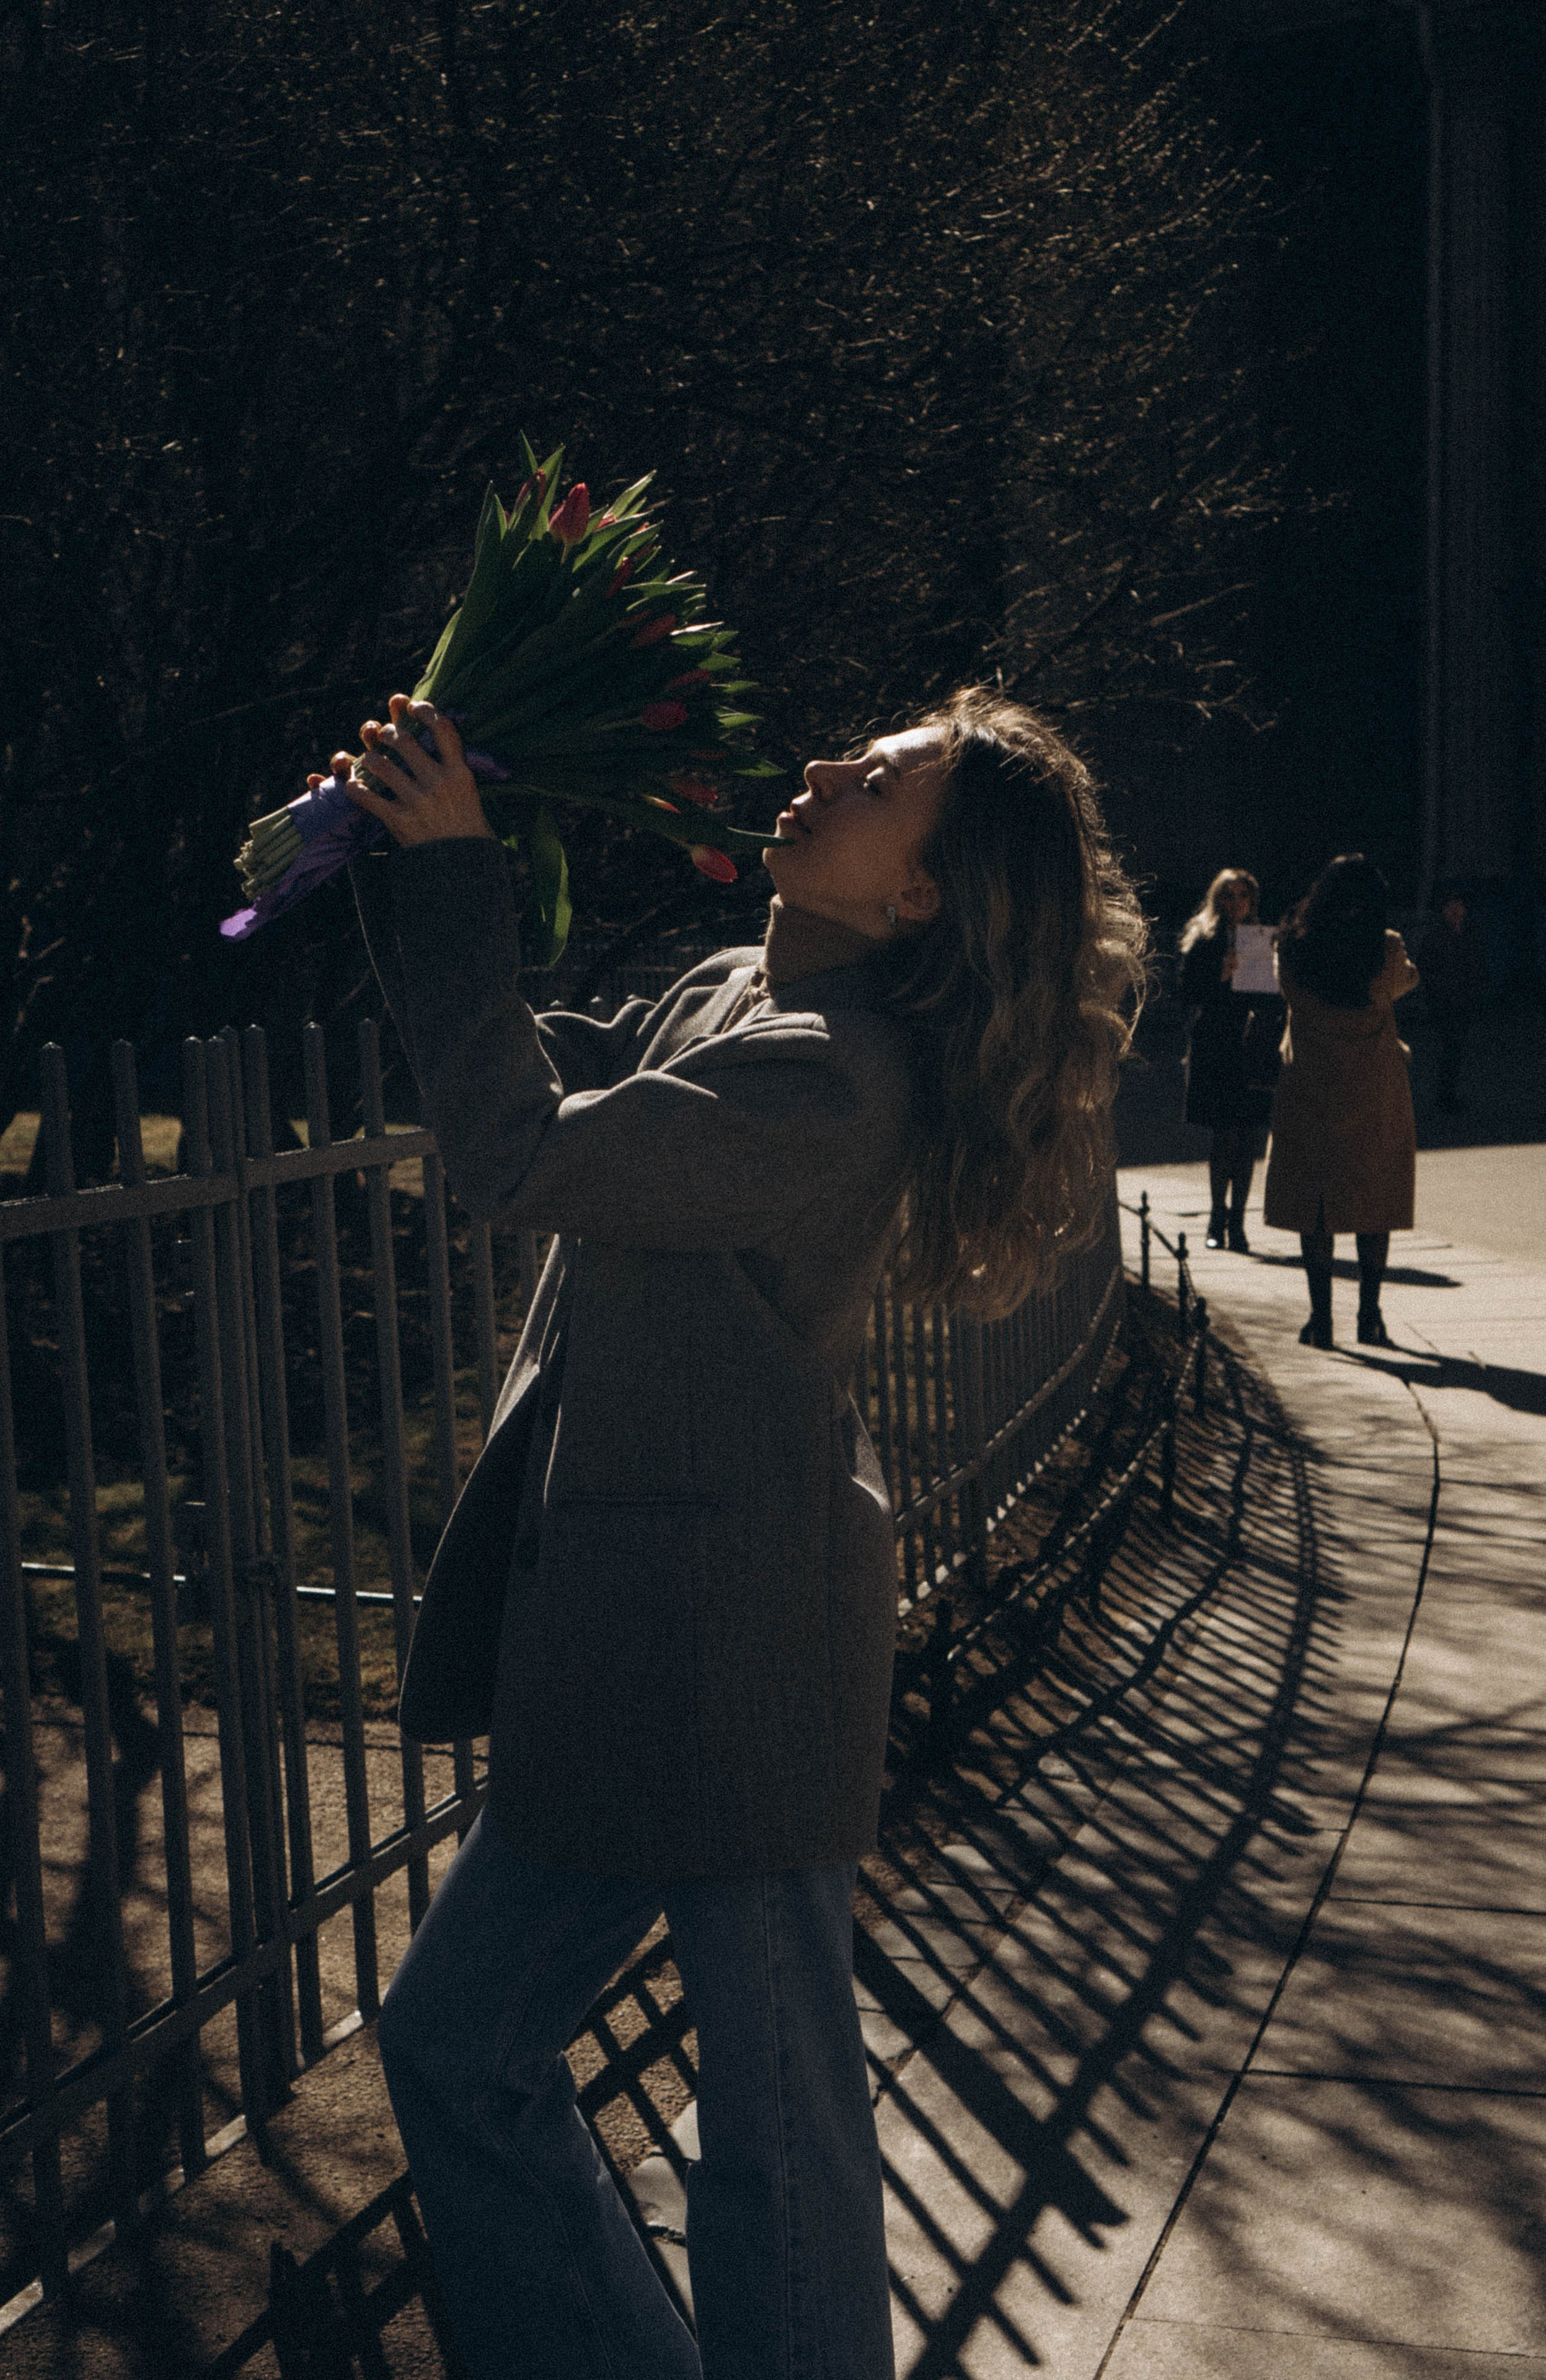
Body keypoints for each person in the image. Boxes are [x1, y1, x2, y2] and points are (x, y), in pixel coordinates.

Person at [325, 683, 1147, 2380]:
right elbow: (533, 1067)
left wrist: (454, 876)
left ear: (914, 894)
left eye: (882, 781)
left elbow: (519, 1152)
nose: (830, 765)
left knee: (774, 2130)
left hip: (738, 1648)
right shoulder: (734, 991)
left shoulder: (834, 1081)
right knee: (463, 2043)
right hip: (642, 1628)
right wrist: (397, 851)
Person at [1263, 854, 1418, 1349]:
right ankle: (1370, 1317)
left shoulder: (1292, 949)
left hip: (1311, 1088)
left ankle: (1321, 1320)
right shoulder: (1386, 948)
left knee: (1315, 1204)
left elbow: (1284, 990)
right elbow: (1404, 981)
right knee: (1375, 1201)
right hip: (1374, 1087)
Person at [1177, 868, 1273, 1251]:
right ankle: (1217, 1217)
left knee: (1248, 1137)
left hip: (1251, 1045)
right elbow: (1187, 993)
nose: (1237, 903)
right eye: (1229, 895)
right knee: (1224, 1134)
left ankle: (1239, 1221)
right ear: (1218, 899)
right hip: (1217, 1043)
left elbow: (1270, 999)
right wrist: (1220, 974)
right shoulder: (1204, 938)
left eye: (1243, 896)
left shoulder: (1261, 939)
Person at [1415, 886, 1488, 1115]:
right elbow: (1427, 970)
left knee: (1455, 1049)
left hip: (1463, 1001)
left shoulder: (1470, 936)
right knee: (1450, 1047)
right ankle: (1445, 1097)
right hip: (1444, 1002)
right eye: (1451, 907)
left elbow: (1478, 967)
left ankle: (1448, 1095)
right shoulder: (1436, 938)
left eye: (1459, 907)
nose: (1456, 911)